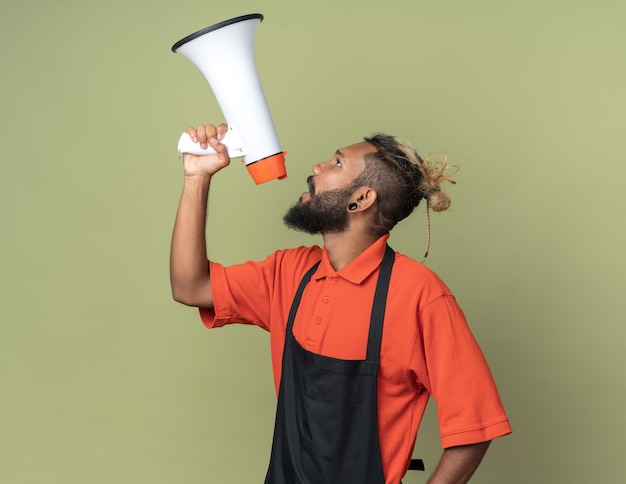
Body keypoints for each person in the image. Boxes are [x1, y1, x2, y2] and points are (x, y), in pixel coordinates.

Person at [170, 123, 512, 484]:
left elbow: (476, 427)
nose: (317, 167)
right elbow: (191, 287)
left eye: (335, 163)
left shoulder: (420, 296)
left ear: (360, 199)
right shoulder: (289, 271)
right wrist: (197, 177)